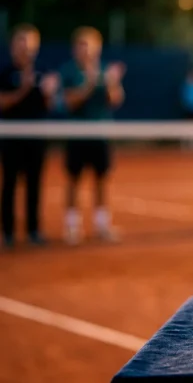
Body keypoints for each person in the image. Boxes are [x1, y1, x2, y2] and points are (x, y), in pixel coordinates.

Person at [60, 26, 125, 244]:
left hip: (100, 134)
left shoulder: (105, 69)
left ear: (97, 49)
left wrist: (111, 82)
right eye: (81, 45)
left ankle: (102, 225)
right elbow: (70, 101)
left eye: (90, 46)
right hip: (76, 134)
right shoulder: (69, 71)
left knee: (101, 180)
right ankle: (71, 227)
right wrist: (89, 83)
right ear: (75, 49)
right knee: (73, 180)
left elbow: (115, 99)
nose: (86, 50)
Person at [0, 24, 58, 249]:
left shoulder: (43, 71)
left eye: (29, 42)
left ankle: (34, 230)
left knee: (35, 184)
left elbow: (50, 105)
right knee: (10, 184)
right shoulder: (5, 72)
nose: (25, 47)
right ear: (13, 45)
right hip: (11, 136)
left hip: (37, 137)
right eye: (20, 41)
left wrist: (48, 93)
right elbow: (2, 102)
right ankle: (7, 232)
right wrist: (23, 89)